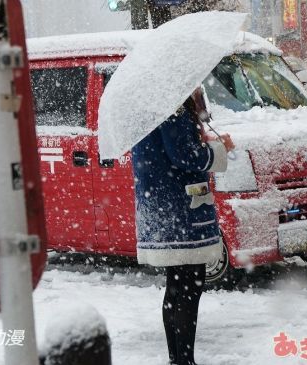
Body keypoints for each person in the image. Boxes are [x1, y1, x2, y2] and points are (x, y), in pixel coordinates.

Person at [131, 88, 234, 365]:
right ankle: (184, 361)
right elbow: (185, 157)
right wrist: (218, 149)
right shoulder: (171, 106)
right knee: (189, 286)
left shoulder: (148, 105)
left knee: (175, 287)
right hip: (180, 209)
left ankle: (176, 358)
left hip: (161, 207)